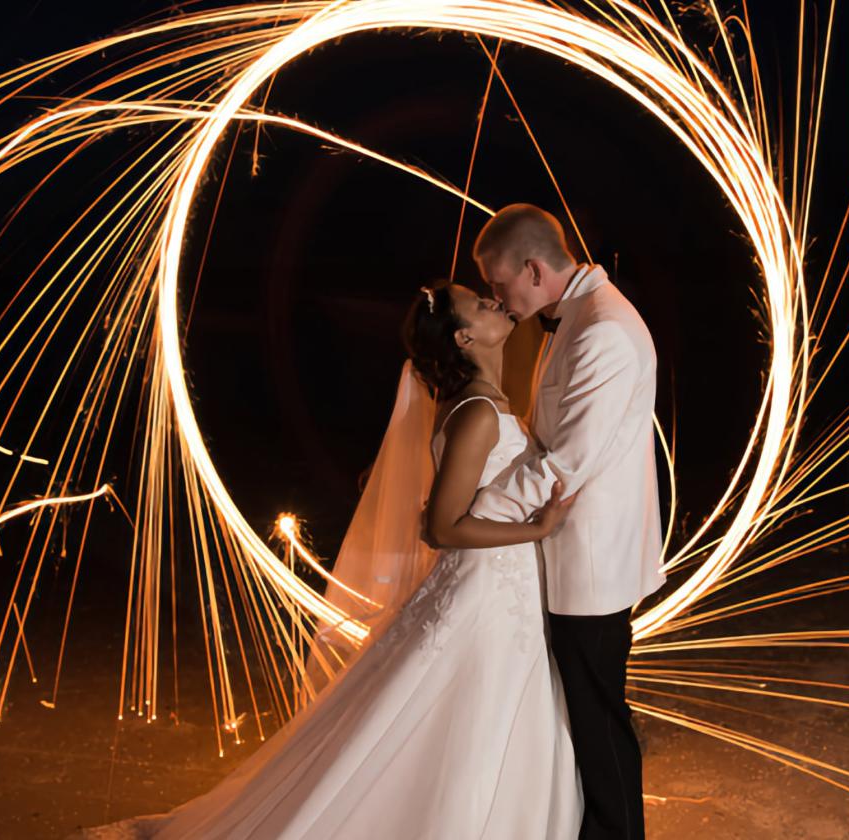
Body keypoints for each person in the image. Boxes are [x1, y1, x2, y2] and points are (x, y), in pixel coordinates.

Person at [75, 281, 584, 839]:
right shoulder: (478, 413)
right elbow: (441, 527)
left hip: (499, 596)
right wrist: (535, 528)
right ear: (465, 337)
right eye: (479, 304)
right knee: (466, 727)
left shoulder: (482, 405)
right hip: (484, 600)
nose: (493, 302)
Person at [467, 203, 667, 840]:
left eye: (499, 286)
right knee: (582, 712)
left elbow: (565, 461)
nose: (497, 299)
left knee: (598, 718)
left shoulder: (602, 328)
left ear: (532, 268)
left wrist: (476, 513)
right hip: (573, 549)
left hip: (591, 563)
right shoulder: (580, 317)